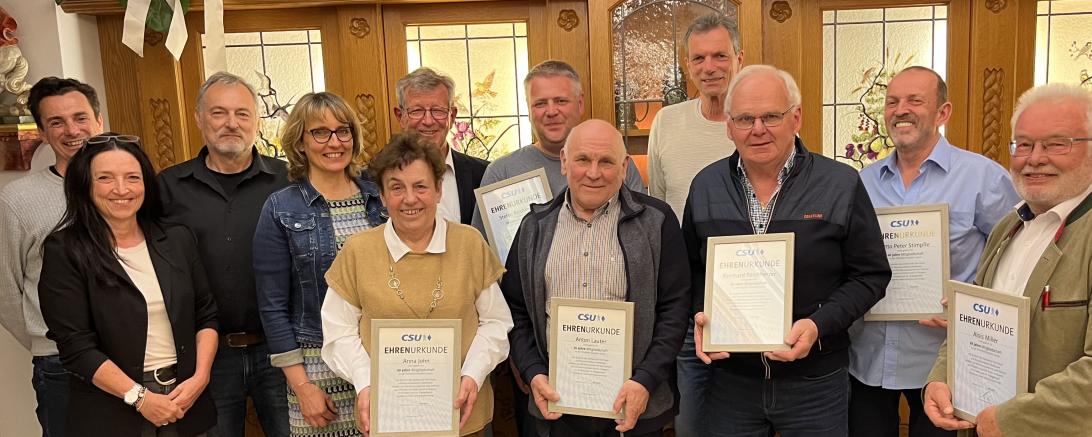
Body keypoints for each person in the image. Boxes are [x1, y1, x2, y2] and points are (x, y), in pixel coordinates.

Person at [685, 64, 891, 436]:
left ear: (795, 117)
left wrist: (818, 325)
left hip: (815, 382)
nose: (758, 129)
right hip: (732, 383)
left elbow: (870, 276)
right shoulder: (706, 186)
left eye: (771, 116)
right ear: (729, 126)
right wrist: (701, 313)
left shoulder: (840, 184)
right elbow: (692, 271)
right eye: (745, 118)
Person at [848, 66, 1020, 437]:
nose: (900, 110)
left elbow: (1017, 257)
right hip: (868, 357)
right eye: (892, 102)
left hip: (945, 364)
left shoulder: (983, 178)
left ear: (943, 112)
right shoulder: (861, 182)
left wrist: (971, 307)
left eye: (915, 100)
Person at [923, 83, 1092, 437]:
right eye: (1024, 144)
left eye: (1057, 143)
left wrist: (1012, 419)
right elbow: (974, 322)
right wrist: (941, 378)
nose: (1034, 158)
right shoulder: (1008, 226)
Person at [501, 119, 690, 437]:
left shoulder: (657, 221)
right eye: (583, 159)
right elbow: (515, 310)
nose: (593, 172)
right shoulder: (534, 227)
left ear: (624, 166)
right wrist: (533, 372)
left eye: (606, 161)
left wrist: (645, 379)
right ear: (564, 161)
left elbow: (675, 308)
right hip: (557, 407)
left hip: (634, 404)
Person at [320, 133, 514, 436]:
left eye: (420, 186)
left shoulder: (469, 244)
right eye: (396, 188)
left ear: (438, 190)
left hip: (462, 415)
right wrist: (366, 381)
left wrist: (472, 376)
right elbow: (338, 332)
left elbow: (496, 323)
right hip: (387, 416)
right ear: (382, 196)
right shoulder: (358, 251)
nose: (409, 198)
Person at [39, 134, 219, 436]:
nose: (121, 189)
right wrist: (140, 398)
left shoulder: (176, 239)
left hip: (187, 402)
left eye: (132, 177)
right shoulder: (65, 250)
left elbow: (206, 314)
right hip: (114, 409)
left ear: (146, 184)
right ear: (85, 185)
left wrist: (200, 377)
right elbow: (76, 347)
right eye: (105, 178)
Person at [158, 71, 291, 437]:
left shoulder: (290, 181)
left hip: (281, 352)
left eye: (242, 113)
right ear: (199, 118)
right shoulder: (167, 188)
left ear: (257, 121)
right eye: (218, 113)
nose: (231, 123)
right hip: (206, 359)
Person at [253, 92, 387, 436]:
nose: (335, 142)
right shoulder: (281, 208)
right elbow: (272, 307)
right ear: (300, 142)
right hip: (317, 370)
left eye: (343, 131)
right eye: (320, 132)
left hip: (384, 360)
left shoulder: (381, 198)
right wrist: (302, 387)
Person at [645, 15, 743, 435]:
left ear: (739, 58)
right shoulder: (667, 122)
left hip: (750, 294)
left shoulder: (759, 122)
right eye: (699, 58)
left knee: (748, 414)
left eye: (720, 55)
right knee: (693, 420)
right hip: (688, 299)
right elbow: (659, 207)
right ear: (687, 66)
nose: (710, 67)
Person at [0, 76, 104, 437]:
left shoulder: (130, 186)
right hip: (60, 364)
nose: (71, 130)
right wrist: (48, 338)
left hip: (134, 355)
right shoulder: (18, 201)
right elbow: (7, 291)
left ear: (99, 121)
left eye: (80, 118)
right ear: (42, 132)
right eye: (56, 122)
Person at [471, 60, 645, 233]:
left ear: (580, 103)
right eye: (540, 103)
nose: (551, 111)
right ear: (529, 109)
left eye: (561, 101)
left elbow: (644, 231)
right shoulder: (502, 173)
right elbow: (483, 252)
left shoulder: (615, 164)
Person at [393, 67, 489, 225]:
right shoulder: (376, 180)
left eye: (438, 111)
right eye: (417, 111)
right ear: (400, 116)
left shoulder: (484, 174)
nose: (428, 121)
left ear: (452, 116)